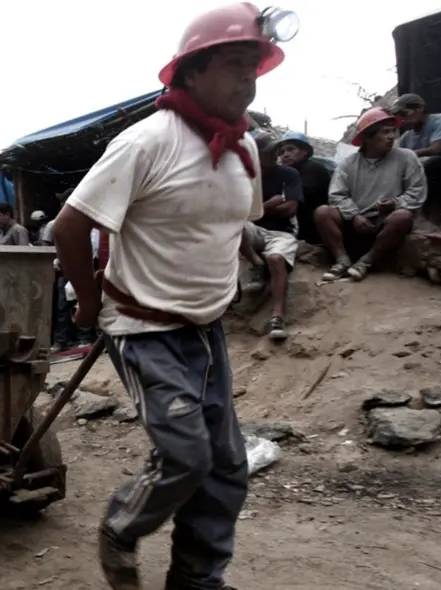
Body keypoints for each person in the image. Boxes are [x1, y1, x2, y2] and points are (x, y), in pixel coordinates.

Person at [53, 4, 293, 588]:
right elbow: (68, 227)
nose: (248, 79)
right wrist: (88, 306)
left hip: (207, 331)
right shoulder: (147, 141)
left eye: (254, 67)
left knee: (227, 467)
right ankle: (121, 526)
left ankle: (195, 581)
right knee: (186, 456)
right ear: (190, 72)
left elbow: (231, 224)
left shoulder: (246, 149)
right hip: (143, 327)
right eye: (236, 65)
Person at [315, 107, 425, 282]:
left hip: (386, 222)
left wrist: (395, 203)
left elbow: (417, 192)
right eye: (385, 132)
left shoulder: (407, 157)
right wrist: (355, 215)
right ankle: (342, 261)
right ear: (367, 137)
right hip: (355, 222)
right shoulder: (348, 164)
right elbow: (336, 195)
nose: (391, 136)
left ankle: (366, 262)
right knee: (323, 212)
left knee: (402, 216)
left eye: (393, 131)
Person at [240, 133, 304, 341]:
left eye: (275, 150)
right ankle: (256, 263)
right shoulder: (247, 177)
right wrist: (270, 204)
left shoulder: (289, 173)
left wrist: (256, 209)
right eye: (269, 151)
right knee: (234, 225)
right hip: (253, 229)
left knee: (276, 259)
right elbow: (240, 213)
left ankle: (277, 317)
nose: (276, 154)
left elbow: (290, 209)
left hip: (282, 232)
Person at [391, 93, 441, 225]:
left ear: (419, 108)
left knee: (433, 163)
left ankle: (433, 216)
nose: (402, 119)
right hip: (422, 177)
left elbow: (436, 149)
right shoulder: (406, 137)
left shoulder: (440, 119)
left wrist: (407, 155)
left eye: (404, 113)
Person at [277, 131, 331, 244]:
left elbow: (295, 199)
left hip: (312, 230)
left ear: (305, 151)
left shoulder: (314, 169)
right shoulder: (286, 173)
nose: (285, 155)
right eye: (282, 152)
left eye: (291, 149)